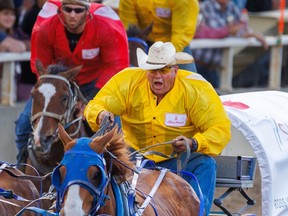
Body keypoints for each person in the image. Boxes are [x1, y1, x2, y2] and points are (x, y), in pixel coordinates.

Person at [84, 41, 231, 215]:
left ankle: (199, 212)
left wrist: (193, 143)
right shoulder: (128, 80)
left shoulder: (196, 89)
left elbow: (220, 129)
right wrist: (100, 114)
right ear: (146, 70)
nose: (157, 76)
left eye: (164, 70)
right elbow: (95, 105)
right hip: (134, 157)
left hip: (179, 159)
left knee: (205, 164)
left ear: (175, 71)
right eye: (152, 70)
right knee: (97, 164)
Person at [15, 0, 129, 164]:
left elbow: (115, 67)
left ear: (87, 12)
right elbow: (40, 64)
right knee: (23, 124)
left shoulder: (107, 25)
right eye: (68, 9)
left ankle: (118, 171)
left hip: (96, 83)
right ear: (61, 10)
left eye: (78, 10)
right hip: (56, 80)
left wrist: (89, 101)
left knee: (113, 126)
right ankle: (21, 166)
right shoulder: (45, 26)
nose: (73, 15)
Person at [193, 0, 268, 88]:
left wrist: (251, 33)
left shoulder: (231, 6)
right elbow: (206, 32)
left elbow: (241, 27)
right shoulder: (205, 7)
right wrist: (230, 31)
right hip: (199, 65)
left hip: (213, 67)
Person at [118, 0, 199, 72]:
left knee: (190, 79)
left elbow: (181, 34)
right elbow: (130, 29)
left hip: (174, 46)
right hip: (143, 43)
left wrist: (166, 57)